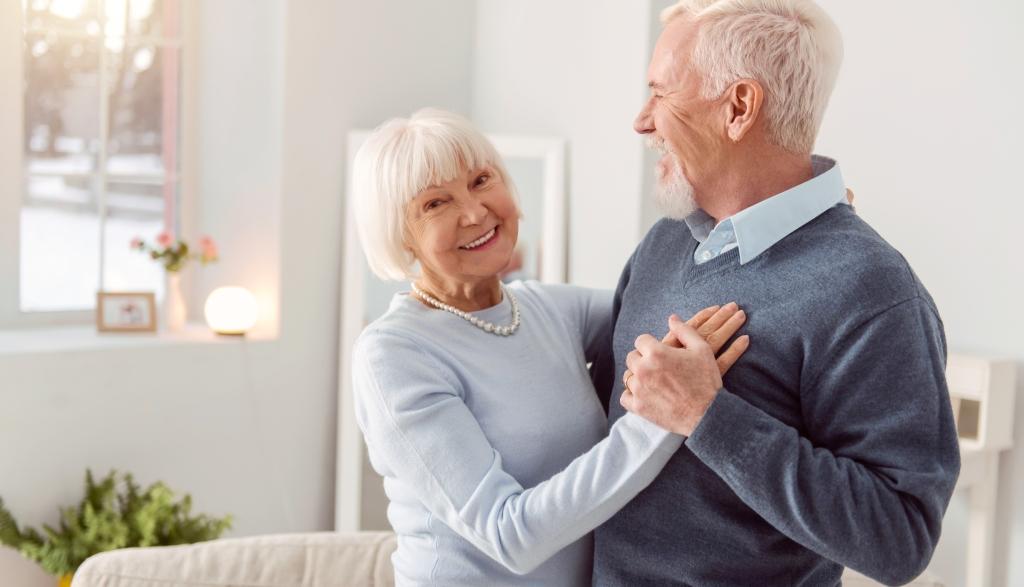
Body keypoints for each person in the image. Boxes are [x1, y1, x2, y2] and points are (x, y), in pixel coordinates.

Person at [589, 1, 961, 585]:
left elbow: (901, 538)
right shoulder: (664, 243)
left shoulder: (872, 289)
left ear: (738, 108)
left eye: (661, 93)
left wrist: (708, 415)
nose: (642, 120)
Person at [349, 108, 749, 586]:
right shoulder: (393, 354)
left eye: (481, 180)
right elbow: (509, 535)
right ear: (401, 236)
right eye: (435, 204)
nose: (475, 213)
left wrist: (796, 229)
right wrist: (663, 413)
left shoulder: (547, 308)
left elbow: (683, 310)